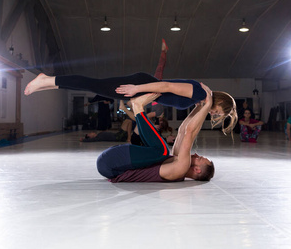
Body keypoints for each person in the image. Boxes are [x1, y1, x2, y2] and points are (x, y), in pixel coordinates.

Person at [24, 72, 238, 135]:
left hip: (144, 87)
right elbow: (167, 87)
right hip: (142, 85)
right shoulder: (199, 91)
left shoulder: (201, 98)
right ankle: (47, 80)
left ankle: (47, 83)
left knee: (94, 85)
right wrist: (136, 89)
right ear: (219, 102)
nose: (216, 114)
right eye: (219, 111)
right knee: (93, 83)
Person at [96, 86, 215, 183]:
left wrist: (208, 105)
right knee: (162, 152)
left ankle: (137, 107)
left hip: (111, 163)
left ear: (197, 170)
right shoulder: (177, 162)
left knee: (163, 151)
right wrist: (198, 107)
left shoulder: (180, 168)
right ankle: (137, 108)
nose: (195, 154)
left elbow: (190, 132)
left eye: (199, 158)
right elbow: (182, 131)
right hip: (113, 160)